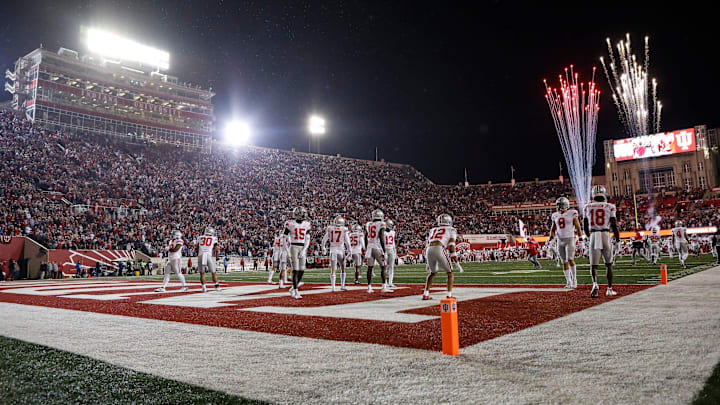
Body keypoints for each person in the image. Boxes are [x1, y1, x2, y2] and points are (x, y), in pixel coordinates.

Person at [583, 185, 620, 298]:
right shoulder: (610, 206)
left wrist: (589, 237)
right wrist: (617, 239)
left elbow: (585, 225)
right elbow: (613, 224)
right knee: (608, 264)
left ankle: (595, 283)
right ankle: (609, 289)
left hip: (594, 234)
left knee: (593, 265)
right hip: (605, 234)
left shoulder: (587, 206)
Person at [422, 214, 459, 300]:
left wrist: (427, 261)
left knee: (432, 273)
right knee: (450, 273)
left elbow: (428, 243)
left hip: (428, 249)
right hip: (439, 248)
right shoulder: (452, 229)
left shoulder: (433, 230)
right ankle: (449, 295)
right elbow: (451, 246)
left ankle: (425, 293)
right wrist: (456, 261)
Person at [549, 196, 583, 289]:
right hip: (560, 240)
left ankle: (575, 280)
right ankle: (568, 281)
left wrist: (580, 238)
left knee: (570, 259)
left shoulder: (572, 213)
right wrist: (551, 238)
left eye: (559, 205)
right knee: (564, 261)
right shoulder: (555, 215)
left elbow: (577, 227)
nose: (558, 207)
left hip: (570, 239)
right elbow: (553, 229)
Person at [285, 206, 311, 299]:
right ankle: (296, 291)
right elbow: (284, 238)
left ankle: (293, 287)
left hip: (302, 247)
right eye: (302, 213)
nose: (304, 215)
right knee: (295, 269)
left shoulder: (307, 224)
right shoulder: (290, 223)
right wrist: (287, 250)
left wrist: (304, 250)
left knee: (302, 269)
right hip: (293, 246)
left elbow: (308, 239)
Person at [321, 215, 351, 292]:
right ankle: (342, 285)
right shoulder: (344, 229)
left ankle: (333, 287)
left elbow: (324, 240)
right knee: (343, 268)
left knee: (333, 269)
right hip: (341, 250)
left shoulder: (330, 229)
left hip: (333, 249)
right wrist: (349, 251)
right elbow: (347, 242)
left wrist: (323, 248)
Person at [365, 209, 391, 293]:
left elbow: (365, 237)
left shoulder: (368, 224)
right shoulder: (381, 224)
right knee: (383, 266)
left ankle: (369, 287)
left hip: (369, 246)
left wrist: (366, 248)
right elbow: (381, 237)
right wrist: (384, 250)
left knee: (370, 268)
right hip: (377, 246)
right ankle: (384, 286)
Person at [196, 226, 221, 293]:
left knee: (202, 273)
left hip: (201, 255)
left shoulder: (200, 237)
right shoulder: (214, 238)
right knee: (213, 272)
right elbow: (216, 248)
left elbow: (197, 247)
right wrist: (217, 256)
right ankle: (216, 286)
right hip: (208, 255)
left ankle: (204, 287)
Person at [383, 219, 398, 289]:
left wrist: (396, 253)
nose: (392, 226)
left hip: (391, 249)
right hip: (385, 250)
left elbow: (394, 243)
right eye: (391, 224)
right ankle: (385, 283)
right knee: (385, 267)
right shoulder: (383, 232)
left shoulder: (393, 232)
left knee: (391, 267)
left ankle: (390, 282)